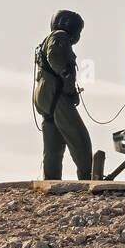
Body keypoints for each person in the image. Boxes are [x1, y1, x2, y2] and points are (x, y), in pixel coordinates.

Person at [33, 10, 93, 180]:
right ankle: (88, 178)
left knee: (53, 146)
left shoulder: (50, 38)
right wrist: (65, 72)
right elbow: (54, 56)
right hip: (57, 97)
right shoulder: (60, 36)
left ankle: (51, 182)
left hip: (45, 98)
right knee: (80, 139)